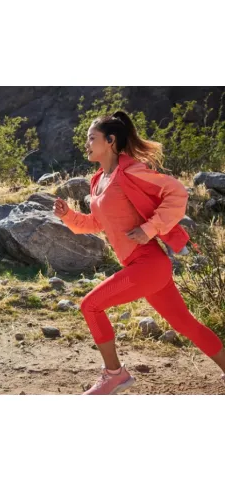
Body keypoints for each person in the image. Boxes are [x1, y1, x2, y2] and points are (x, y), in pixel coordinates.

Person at [53, 110, 225, 395]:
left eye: (92, 138)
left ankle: (114, 374)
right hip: (141, 266)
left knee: (90, 305)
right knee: (185, 323)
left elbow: (177, 193)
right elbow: (97, 223)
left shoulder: (130, 172)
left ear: (110, 141)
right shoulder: (98, 181)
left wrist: (149, 228)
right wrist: (68, 216)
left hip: (148, 263)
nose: (86, 144)